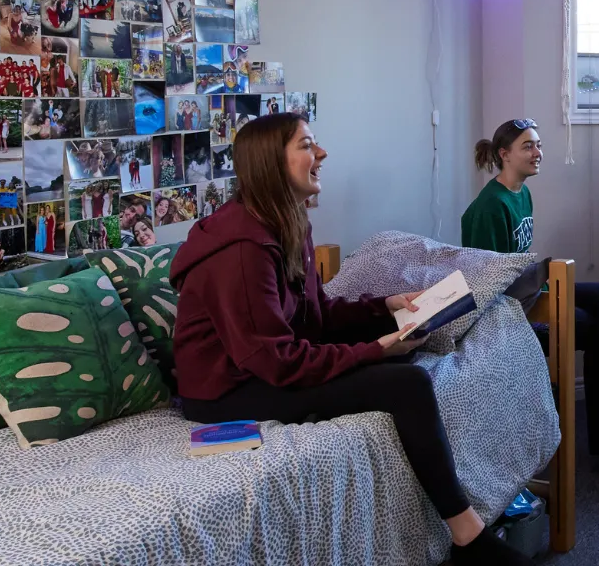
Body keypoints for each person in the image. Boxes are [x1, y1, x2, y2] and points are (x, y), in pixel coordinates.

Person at [169, 113, 530, 565]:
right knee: (406, 384)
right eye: (307, 145)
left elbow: (314, 317)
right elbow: (277, 361)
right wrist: (374, 348)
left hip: (263, 365)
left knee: (400, 366)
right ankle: (468, 538)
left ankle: (461, 523)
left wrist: (385, 307)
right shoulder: (242, 248)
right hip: (226, 391)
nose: (321, 154)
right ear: (269, 163)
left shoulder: (285, 222)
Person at [460, 118, 599, 469]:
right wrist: (537, 293)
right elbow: (487, 282)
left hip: (531, 289)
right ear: (504, 154)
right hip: (512, 310)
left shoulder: (522, 193)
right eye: (528, 146)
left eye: (538, 145)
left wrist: (539, 280)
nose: (538, 153)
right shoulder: (489, 208)